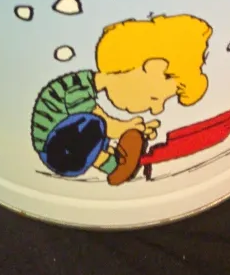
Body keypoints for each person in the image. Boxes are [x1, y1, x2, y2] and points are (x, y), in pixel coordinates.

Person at [31, 13, 212, 185]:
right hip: (54, 149)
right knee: (94, 124)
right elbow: (100, 121)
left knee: (95, 129)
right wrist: (124, 128)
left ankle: (118, 164)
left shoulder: (86, 87)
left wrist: (134, 131)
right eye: (154, 98)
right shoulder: (78, 88)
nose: (157, 110)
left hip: (70, 144)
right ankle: (117, 167)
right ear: (152, 67)